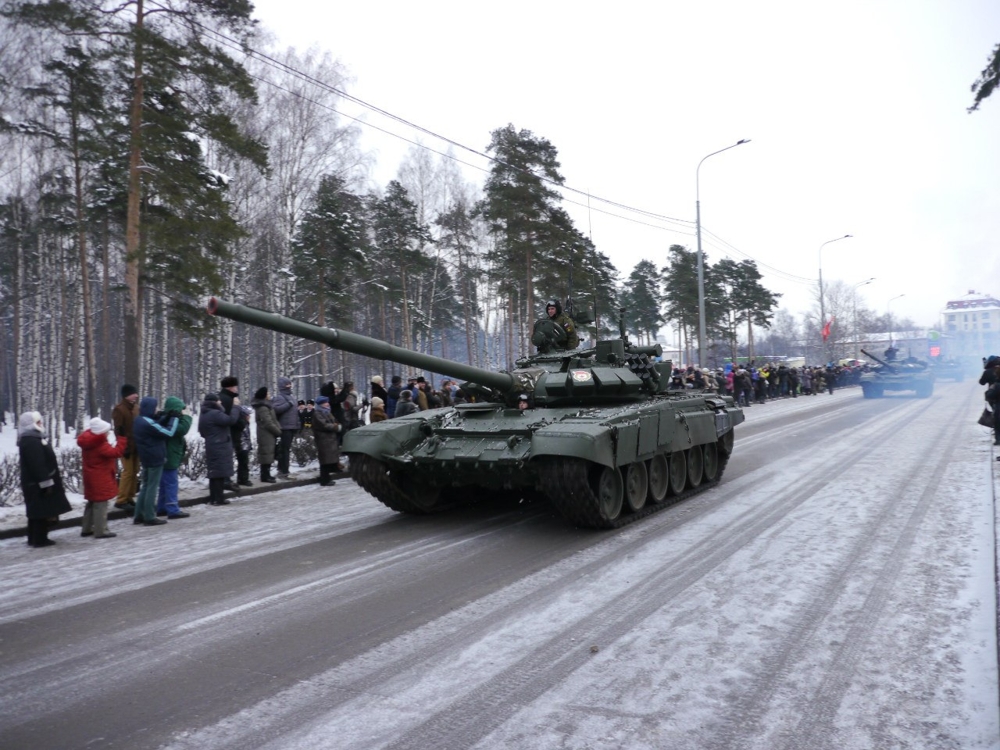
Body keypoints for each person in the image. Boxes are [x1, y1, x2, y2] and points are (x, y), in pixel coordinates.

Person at [18, 411, 71, 547]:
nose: (41, 424)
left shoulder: (31, 438)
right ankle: (40, 539)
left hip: (34, 483)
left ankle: (33, 538)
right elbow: (37, 464)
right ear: (31, 425)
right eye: (38, 422)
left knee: (36, 511)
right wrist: (46, 483)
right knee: (41, 510)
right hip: (37, 483)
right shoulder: (32, 441)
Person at [78, 417, 128, 539]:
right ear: (101, 432)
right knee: (101, 504)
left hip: (90, 477)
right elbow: (116, 453)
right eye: (106, 431)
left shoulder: (88, 441)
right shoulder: (99, 444)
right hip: (100, 478)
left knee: (91, 503)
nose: (108, 433)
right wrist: (122, 439)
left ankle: (87, 528)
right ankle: (101, 530)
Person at [132, 396, 179, 526]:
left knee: (146, 486)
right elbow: (168, 433)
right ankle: (149, 516)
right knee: (152, 487)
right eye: (155, 407)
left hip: (146, 457)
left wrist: (166, 417)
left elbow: (155, 424)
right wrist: (174, 419)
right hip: (155, 457)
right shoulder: (147, 423)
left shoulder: (139, 420)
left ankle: (139, 515)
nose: (156, 409)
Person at [198, 392, 240, 505]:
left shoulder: (204, 413)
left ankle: (214, 498)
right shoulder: (215, 413)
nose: (220, 402)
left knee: (214, 473)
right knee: (219, 473)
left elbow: (202, 431)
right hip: (220, 445)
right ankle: (219, 499)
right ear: (214, 402)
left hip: (211, 444)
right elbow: (231, 420)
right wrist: (235, 407)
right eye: (218, 400)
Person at [156, 397, 192, 519]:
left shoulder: (163, 418)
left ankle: (161, 507)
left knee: (164, 484)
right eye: (181, 409)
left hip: (165, 455)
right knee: (171, 484)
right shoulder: (172, 420)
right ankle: (173, 509)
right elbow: (182, 429)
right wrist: (187, 417)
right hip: (170, 455)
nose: (182, 412)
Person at [112, 384, 140, 513]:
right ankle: (121, 500)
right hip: (126, 447)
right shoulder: (119, 409)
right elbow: (119, 431)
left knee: (134, 472)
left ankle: (130, 497)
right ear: (126, 395)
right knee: (127, 472)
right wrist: (124, 446)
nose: (136, 395)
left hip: (136, 446)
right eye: (133, 393)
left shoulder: (135, 408)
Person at [219, 376, 251, 488]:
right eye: (235, 386)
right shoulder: (229, 400)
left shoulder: (221, 398)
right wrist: (243, 422)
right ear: (231, 387)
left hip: (225, 434)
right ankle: (226, 481)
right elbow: (232, 418)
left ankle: (225, 480)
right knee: (228, 458)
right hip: (231, 434)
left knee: (226, 458)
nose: (237, 388)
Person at [252, 386, 282, 483]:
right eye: (268, 394)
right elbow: (268, 422)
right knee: (266, 454)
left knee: (267, 454)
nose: (269, 395)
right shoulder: (263, 408)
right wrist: (278, 431)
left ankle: (266, 474)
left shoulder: (266, 406)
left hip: (267, 434)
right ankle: (265, 476)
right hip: (266, 434)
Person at [271, 376, 299, 478]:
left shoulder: (291, 397)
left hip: (291, 427)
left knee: (286, 449)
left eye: (290, 384)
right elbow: (275, 410)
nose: (290, 386)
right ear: (282, 386)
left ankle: (283, 469)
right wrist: (288, 405)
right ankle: (284, 470)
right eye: (287, 384)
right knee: (284, 450)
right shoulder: (280, 397)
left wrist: (297, 424)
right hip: (284, 427)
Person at [311, 395, 342, 486]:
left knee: (327, 459)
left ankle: (326, 477)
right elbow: (323, 425)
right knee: (325, 460)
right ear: (321, 404)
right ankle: (324, 479)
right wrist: (335, 427)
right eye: (325, 403)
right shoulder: (317, 414)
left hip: (329, 439)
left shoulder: (326, 412)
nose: (327, 404)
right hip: (323, 439)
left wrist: (336, 424)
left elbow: (333, 421)